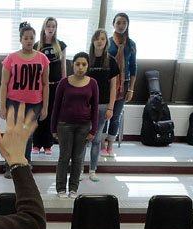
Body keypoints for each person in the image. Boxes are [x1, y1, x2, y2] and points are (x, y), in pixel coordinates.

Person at [0, 22, 50, 179]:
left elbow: (46, 84)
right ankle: (10, 165)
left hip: (35, 103)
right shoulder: (11, 58)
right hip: (14, 102)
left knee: (27, 135)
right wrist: (2, 106)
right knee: (13, 134)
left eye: (31, 38)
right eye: (26, 38)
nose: (28, 41)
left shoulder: (42, 58)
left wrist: (45, 107)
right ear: (21, 39)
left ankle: (25, 164)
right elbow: (4, 84)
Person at [51, 52, 98, 198]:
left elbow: (95, 108)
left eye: (84, 64)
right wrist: (53, 128)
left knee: (78, 158)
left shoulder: (93, 83)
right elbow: (56, 106)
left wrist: (93, 129)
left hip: (83, 126)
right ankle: (60, 188)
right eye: (78, 64)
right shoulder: (64, 83)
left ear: (88, 66)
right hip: (64, 125)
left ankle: (73, 188)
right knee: (64, 157)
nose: (80, 67)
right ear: (73, 65)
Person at [87, 29, 119, 182]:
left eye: (102, 39)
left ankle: (92, 170)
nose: (99, 41)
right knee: (82, 139)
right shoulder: (87, 59)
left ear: (106, 42)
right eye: (97, 38)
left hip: (103, 105)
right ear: (93, 41)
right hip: (86, 106)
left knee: (96, 139)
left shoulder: (111, 61)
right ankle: (79, 169)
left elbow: (114, 87)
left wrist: (111, 107)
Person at [104, 12, 137, 157]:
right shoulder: (108, 42)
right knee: (105, 114)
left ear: (127, 25)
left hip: (124, 84)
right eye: (118, 22)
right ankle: (101, 145)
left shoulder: (131, 44)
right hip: (108, 82)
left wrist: (131, 89)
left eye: (124, 22)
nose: (121, 25)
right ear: (113, 24)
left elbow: (133, 67)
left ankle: (110, 146)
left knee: (115, 116)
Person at [32, 17, 66, 155]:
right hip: (40, 86)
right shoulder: (37, 46)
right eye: (49, 26)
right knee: (38, 113)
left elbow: (63, 68)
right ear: (44, 27)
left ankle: (48, 144)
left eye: (53, 26)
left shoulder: (61, 45)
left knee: (51, 114)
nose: (51, 29)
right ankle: (36, 143)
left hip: (55, 86)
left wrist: (64, 85)